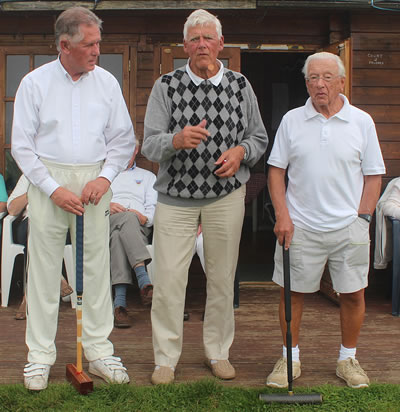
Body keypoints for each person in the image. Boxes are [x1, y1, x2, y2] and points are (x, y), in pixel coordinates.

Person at [142, 9, 268, 385]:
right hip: (176, 198)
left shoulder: (241, 86)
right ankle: (165, 358)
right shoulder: (165, 85)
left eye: (207, 38)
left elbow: (259, 138)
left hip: (224, 197)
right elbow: (149, 144)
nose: (201, 45)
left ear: (220, 44)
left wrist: (240, 153)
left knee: (221, 278)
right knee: (167, 281)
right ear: (184, 46)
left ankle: (218, 352)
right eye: (194, 39)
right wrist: (175, 140)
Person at [11, 7, 134, 391]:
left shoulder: (107, 83)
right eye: (90, 44)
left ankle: (98, 351)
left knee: (96, 268)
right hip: (50, 180)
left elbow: (123, 140)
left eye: (98, 42)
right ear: (65, 45)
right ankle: (40, 356)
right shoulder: (35, 83)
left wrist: (104, 177)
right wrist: (53, 189)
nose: (98, 50)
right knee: (45, 271)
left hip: (94, 181)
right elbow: (22, 147)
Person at [266, 51, 385, 389]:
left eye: (327, 77)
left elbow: (374, 175)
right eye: (313, 78)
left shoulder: (361, 121)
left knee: (353, 294)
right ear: (306, 83)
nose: (319, 84)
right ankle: (290, 358)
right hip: (299, 225)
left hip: (349, 226)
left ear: (342, 82)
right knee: (293, 293)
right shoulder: (292, 120)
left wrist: (363, 218)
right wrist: (283, 216)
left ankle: (347, 359)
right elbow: (276, 172)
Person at [7, 174, 74, 321]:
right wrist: (34, 191)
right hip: (29, 224)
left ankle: (28, 297)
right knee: (34, 229)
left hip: (59, 225)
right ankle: (58, 277)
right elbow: (12, 210)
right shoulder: (28, 177)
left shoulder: (65, 174)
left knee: (39, 233)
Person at [110, 141, 157, 328]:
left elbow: (152, 211)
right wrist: (107, 207)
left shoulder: (148, 177)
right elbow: (91, 205)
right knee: (124, 220)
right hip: (107, 221)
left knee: (119, 236)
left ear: (136, 150)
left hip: (138, 227)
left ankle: (119, 304)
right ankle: (143, 280)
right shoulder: (105, 175)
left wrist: (143, 218)